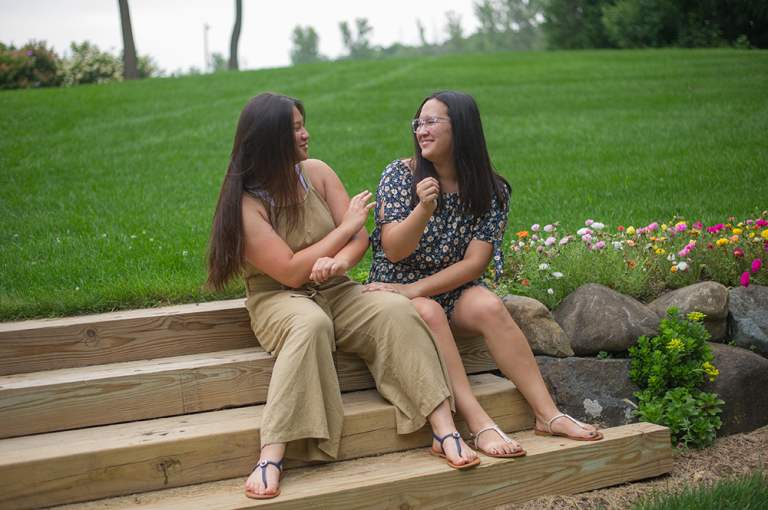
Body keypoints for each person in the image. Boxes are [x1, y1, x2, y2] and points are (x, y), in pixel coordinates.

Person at [206, 92, 479, 500]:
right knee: (311, 324)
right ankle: (272, 452)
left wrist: (339, 262)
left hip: (336, 288)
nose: (305, 134)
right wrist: (343, 229)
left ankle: (443, 428)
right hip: (278, 298)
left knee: (394, 309)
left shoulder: (315, 172)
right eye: (295, 128)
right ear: (269, 139)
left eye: (303, 124)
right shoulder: (246, 205)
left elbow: (358, 240)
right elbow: (290, 270)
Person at [365, 90, 603, 459]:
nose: (421, 131)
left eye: (431, 122)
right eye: (418, 123)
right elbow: (394, 249)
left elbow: (475, 264)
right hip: (393, 287)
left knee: (490, 306)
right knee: (427, 312)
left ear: (460, 128)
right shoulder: (399, 175)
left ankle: (548, 413)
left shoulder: (491, 189)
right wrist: (423, 209)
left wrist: (416, 288)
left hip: (448, 285)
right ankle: (479, 424)